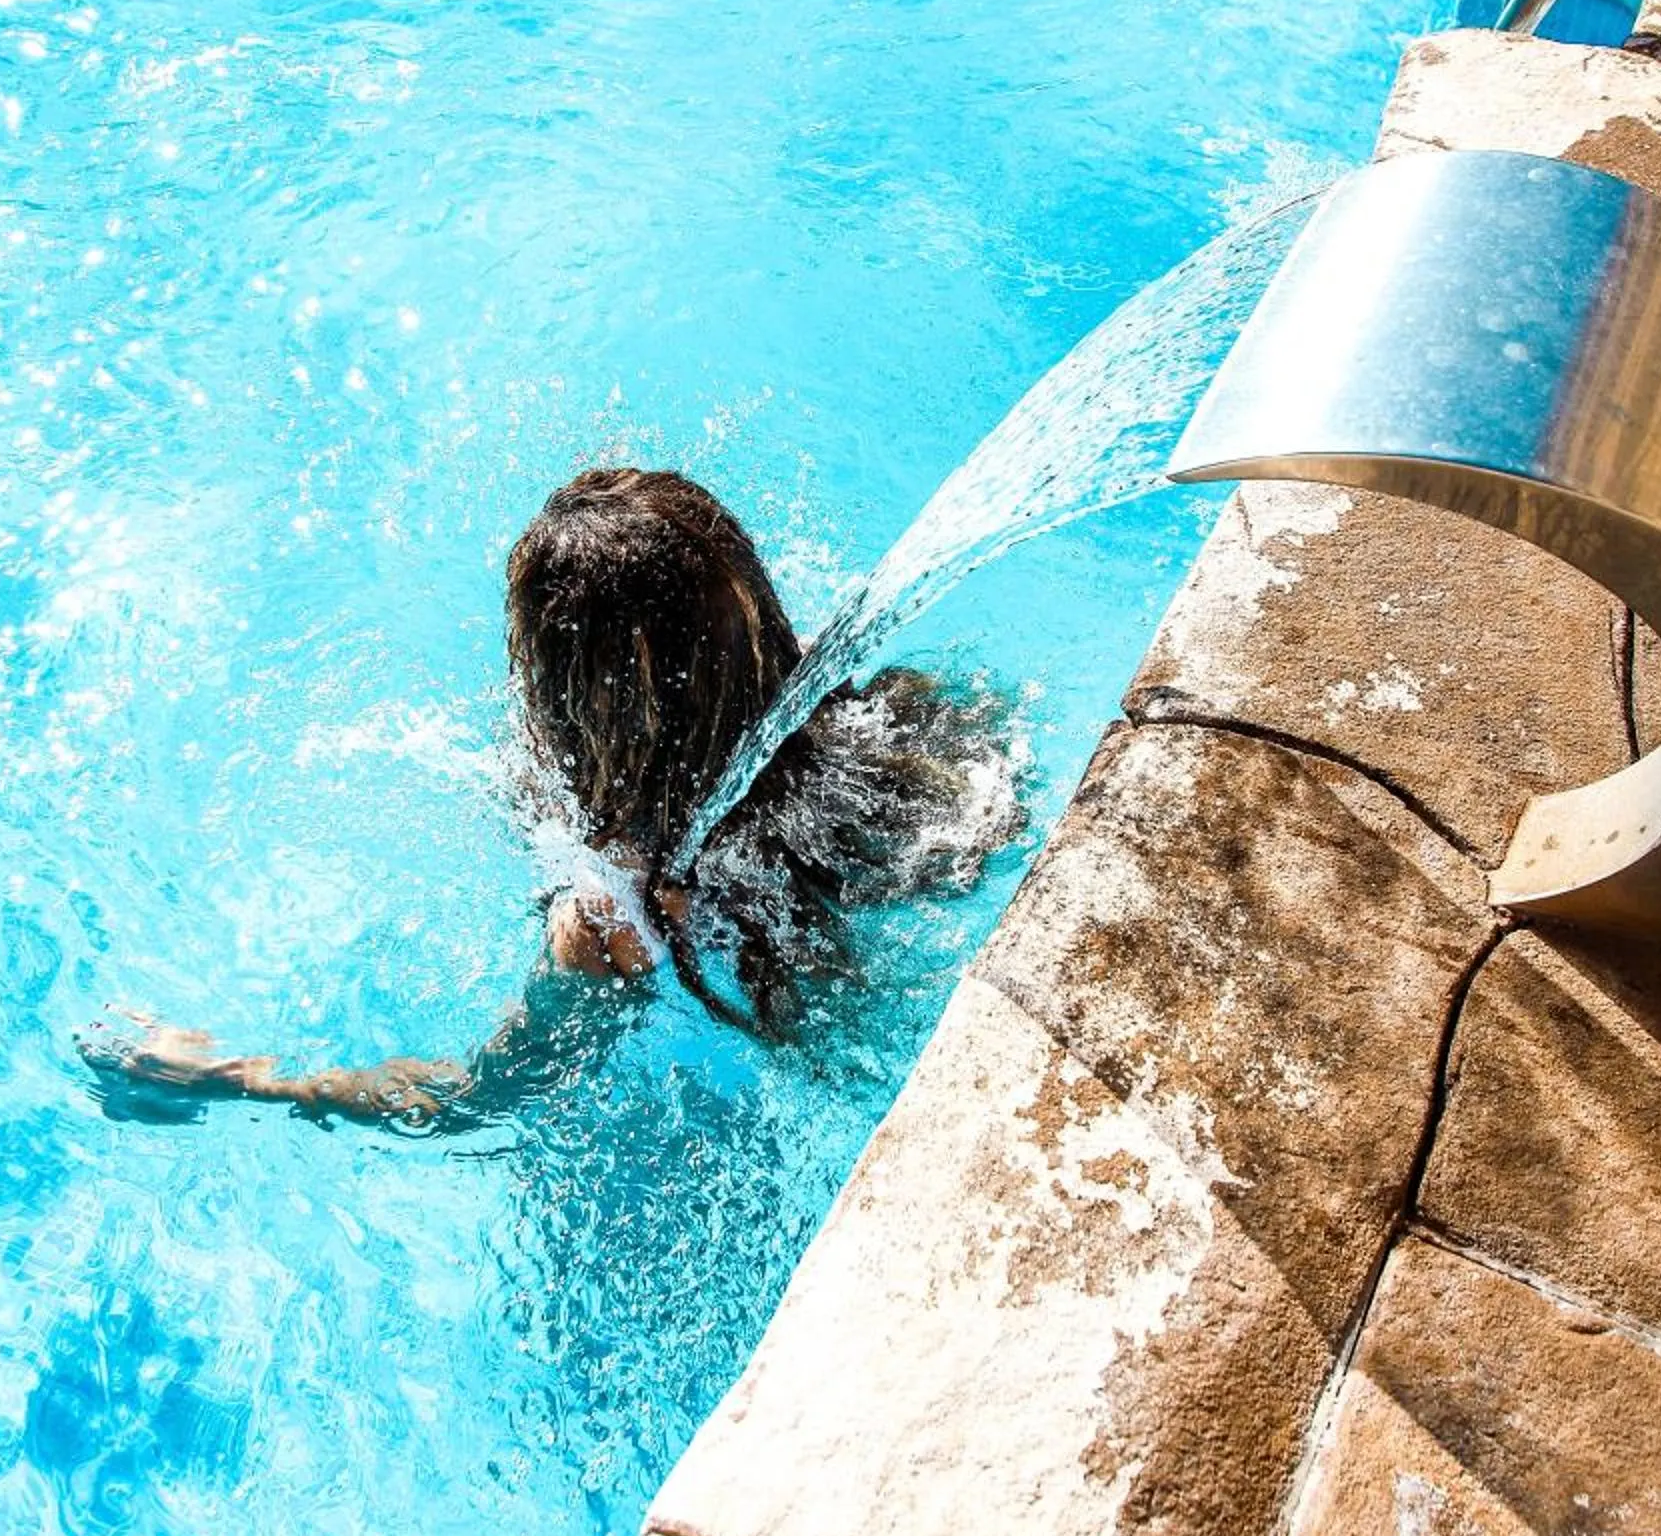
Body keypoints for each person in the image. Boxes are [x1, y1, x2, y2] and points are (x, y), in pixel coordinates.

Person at [79, 466, 1020, 1131]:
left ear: (572, 692)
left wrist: (242, 1079)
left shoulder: (612, 913)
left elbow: (469, 1100)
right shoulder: (872, 711)